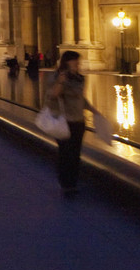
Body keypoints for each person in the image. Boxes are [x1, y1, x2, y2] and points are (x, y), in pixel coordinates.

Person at [45, 50, 104, 194]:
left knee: (75, 153)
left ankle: (73, 182)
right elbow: (53, 95)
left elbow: (81, 99)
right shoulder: (57, 77)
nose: (78, 63)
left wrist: (93, 111)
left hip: (78, 121)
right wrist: (61, 80)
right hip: (64, 121)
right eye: (75, 61)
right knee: (65, 153)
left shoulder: (80, 78)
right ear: (67, 62)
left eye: (78, 61)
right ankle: (65, 183)